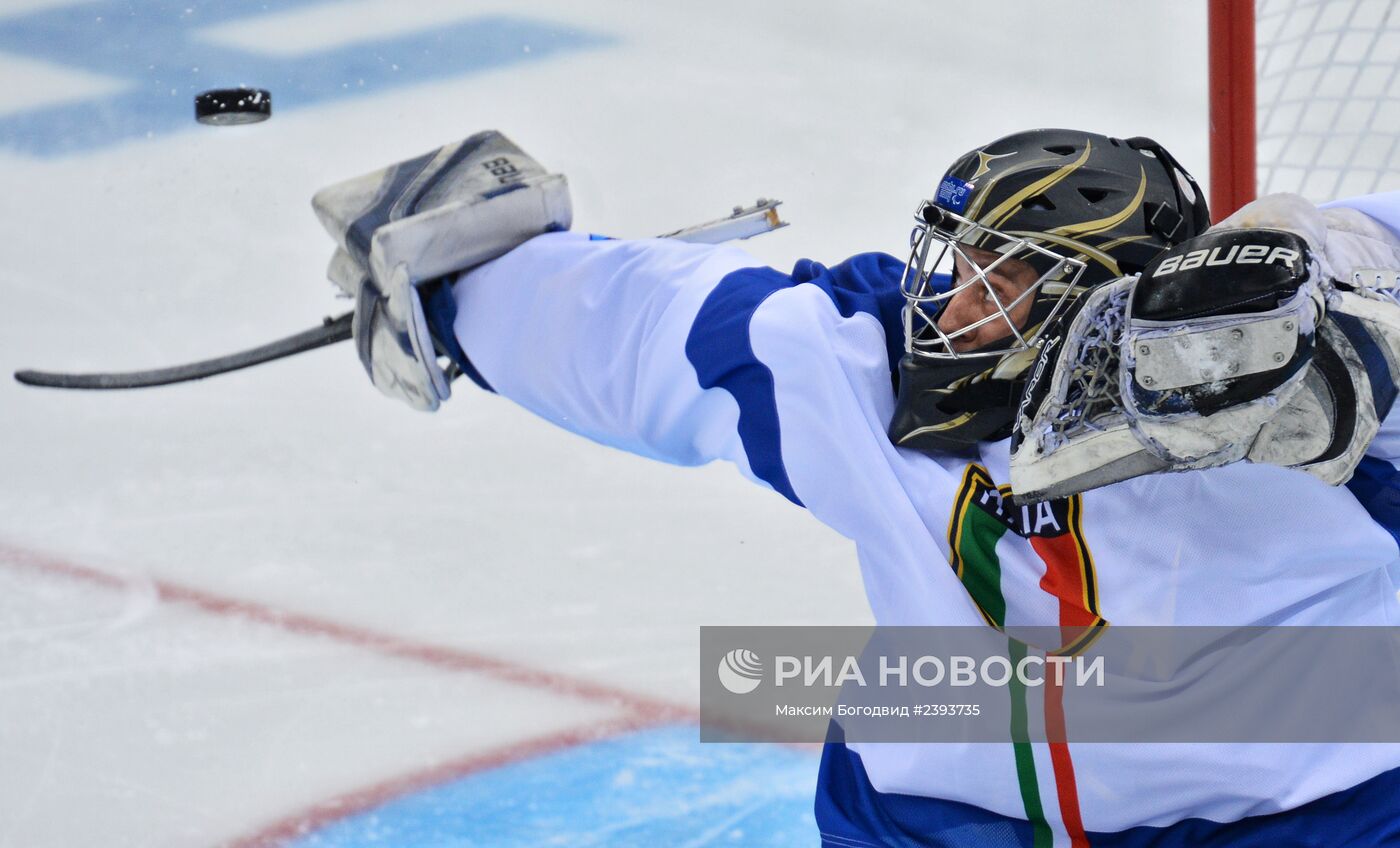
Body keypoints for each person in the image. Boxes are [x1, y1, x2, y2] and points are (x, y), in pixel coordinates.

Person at [320, 128, 1400, 846]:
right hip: (946, 814)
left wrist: (1336, 260)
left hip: (1308, 805)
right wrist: (463, 281)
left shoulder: (1286, 368)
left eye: (1002, 281)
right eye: (958, 265)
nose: (951, 309)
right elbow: (641, 325)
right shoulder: (863, 359)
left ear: (1098, 301)